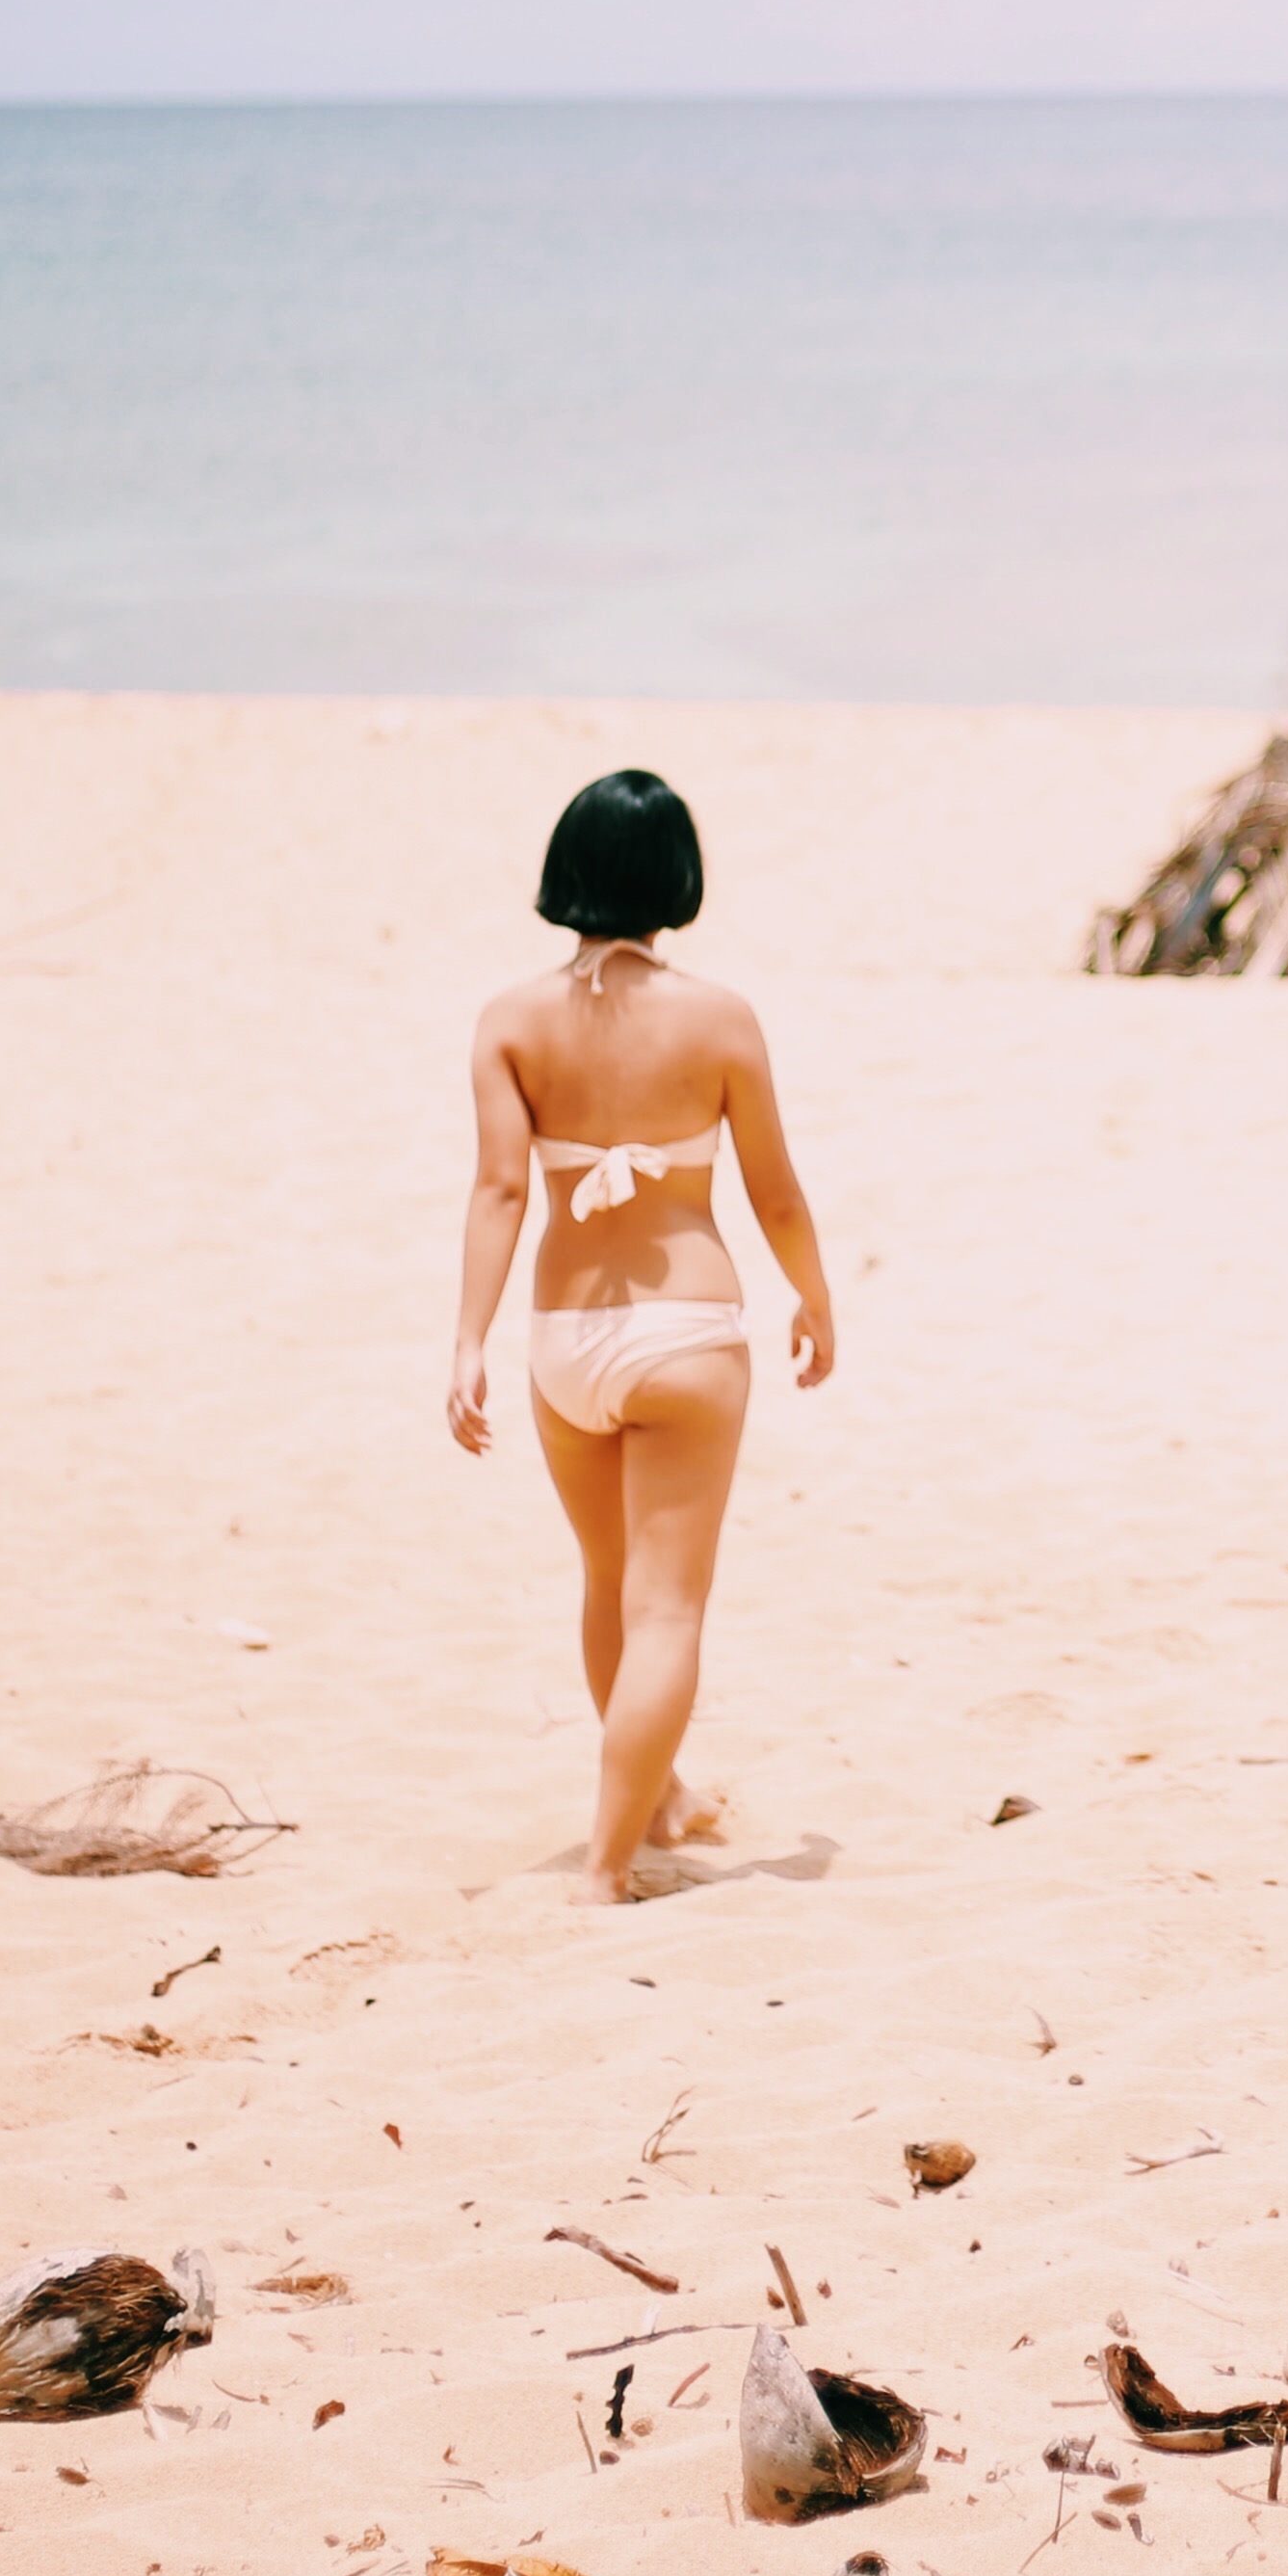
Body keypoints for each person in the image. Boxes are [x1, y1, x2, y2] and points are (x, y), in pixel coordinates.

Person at [449, 769, 841, 1896]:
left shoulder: (510, 1021)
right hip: (686, 1332)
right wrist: (813, 1293)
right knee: (667, 1606)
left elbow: (498, 1194)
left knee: (609, 1584)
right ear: (677, 878)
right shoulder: (719, 1018)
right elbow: (773, 1191)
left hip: (563, 1339)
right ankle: (607, 1865)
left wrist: (468, 1343)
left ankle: (655, 1797)